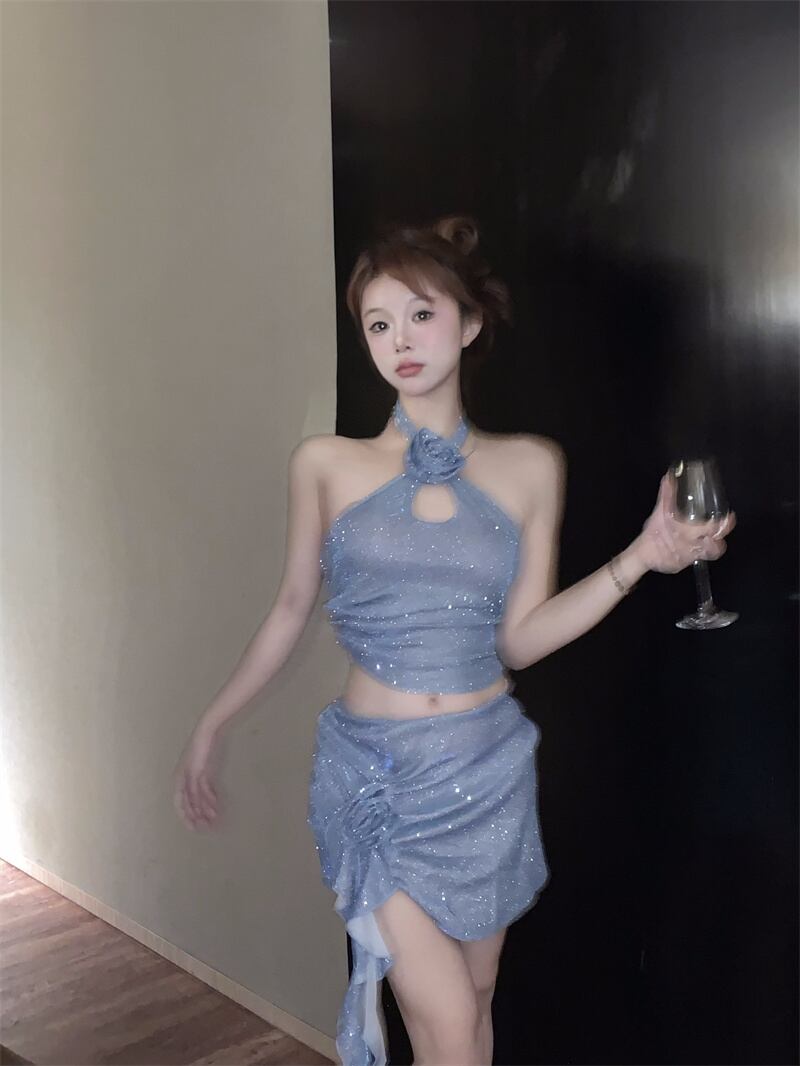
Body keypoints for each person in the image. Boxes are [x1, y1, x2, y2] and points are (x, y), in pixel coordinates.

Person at [173, 216, 736, 1066]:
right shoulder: (324, 464)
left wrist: (644, 557)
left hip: (486, 771)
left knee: (473, 1003)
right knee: (448, 1027)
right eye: (378, 323)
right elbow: (290, 608)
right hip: (376, 777)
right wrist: (212, 723)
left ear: (469, 323)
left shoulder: (532, 465)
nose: (399, 340)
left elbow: (521, 640)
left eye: (421, 314)